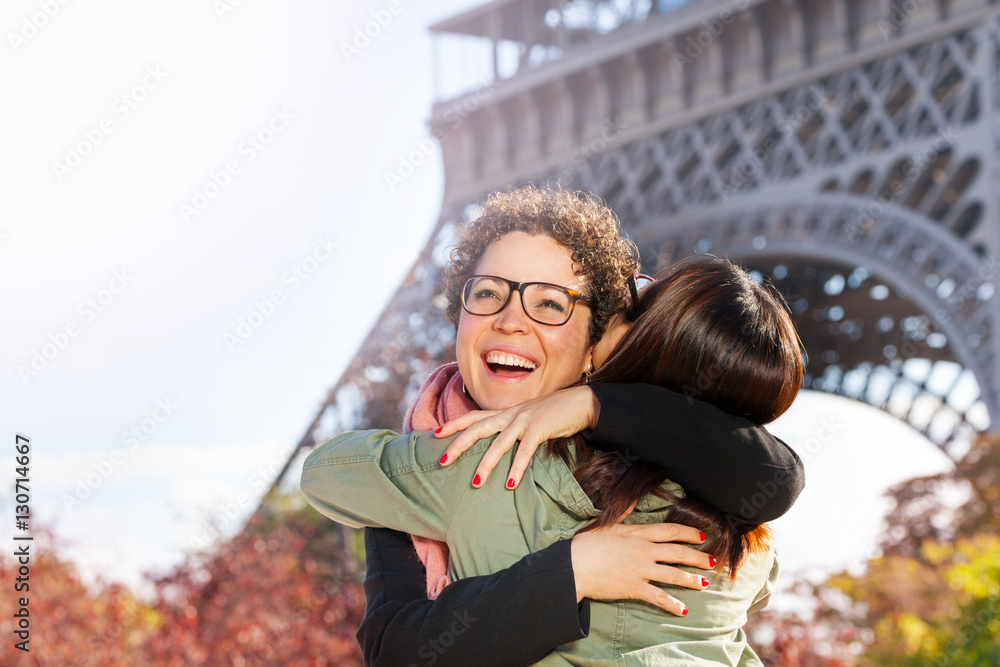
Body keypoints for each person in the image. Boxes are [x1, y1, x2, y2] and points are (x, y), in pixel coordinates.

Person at [314, 186, 804, 665]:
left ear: (599, 338)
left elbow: (327, 474)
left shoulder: (470, 464)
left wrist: (593, 405)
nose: (510, 321)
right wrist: (573, 570)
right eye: (487, 292)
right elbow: (395, 648)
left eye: (550, 303)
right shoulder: (733, 515)